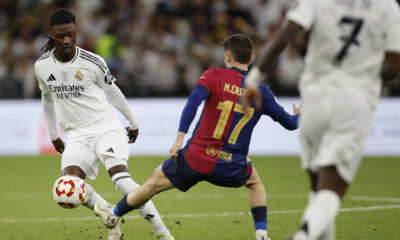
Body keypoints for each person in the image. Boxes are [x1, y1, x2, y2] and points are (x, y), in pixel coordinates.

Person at [94, 34, 301, 240]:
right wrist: (301, 113)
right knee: (254, 183)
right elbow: (291, 124)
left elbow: (192, 104)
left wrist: (178, 140)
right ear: (251, 58)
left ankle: (113, 215)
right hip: (230, 164)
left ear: (228, 56)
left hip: (196, 158)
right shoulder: (262, 91)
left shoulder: (213, 76)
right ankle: (262, 234)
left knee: (152, 184)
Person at [242, 0, 400, 239]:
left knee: (318, 188)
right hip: (353, 102)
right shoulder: (386, 6)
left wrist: (253, 78)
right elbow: (395, 66)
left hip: (314, 99)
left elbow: (285, 36)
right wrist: (365, 73)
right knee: (332, 188)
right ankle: (303, 236)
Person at [34, 8, 173, 240]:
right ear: (52, 35)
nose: (67, 40)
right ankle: (109, 215)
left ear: (76, 31)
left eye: (71, 34)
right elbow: (47, 98)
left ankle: (164, 234)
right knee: (66, 189)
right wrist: (53, 134)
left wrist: (133, 121)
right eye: (61, 36)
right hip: (77, 135)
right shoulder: (42, 66)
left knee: (123, 183)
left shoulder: (92, 61)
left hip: (106, 129)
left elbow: (113, 92)